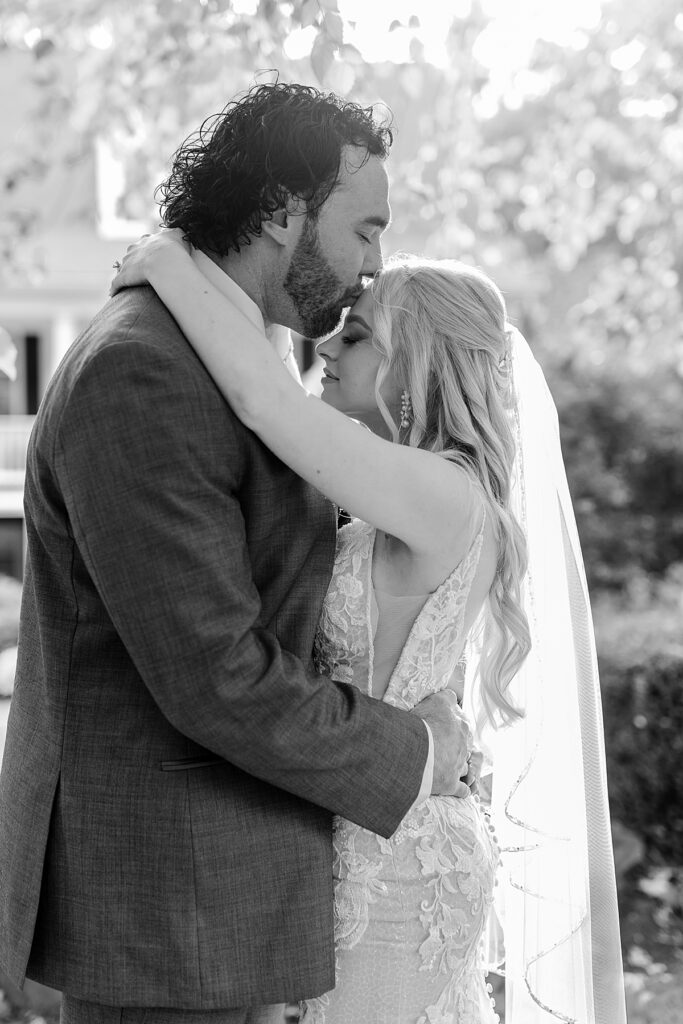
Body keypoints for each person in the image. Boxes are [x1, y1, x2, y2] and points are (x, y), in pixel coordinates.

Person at [0, 84, 474, 1024]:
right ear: (279, 213)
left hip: (243, 894)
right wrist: (418, 753)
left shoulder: (243, 354)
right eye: (365, 229)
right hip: (171, 909)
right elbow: (215, 673)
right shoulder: (141, 369)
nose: (373, 267)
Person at [111, 235, 628, 1024]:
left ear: (417, 365)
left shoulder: (443, 495)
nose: (327, 343)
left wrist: (167, 268)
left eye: (357, 336)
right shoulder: (404, 488)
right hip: (365, 825)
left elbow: (265, 401)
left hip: (397, 869)